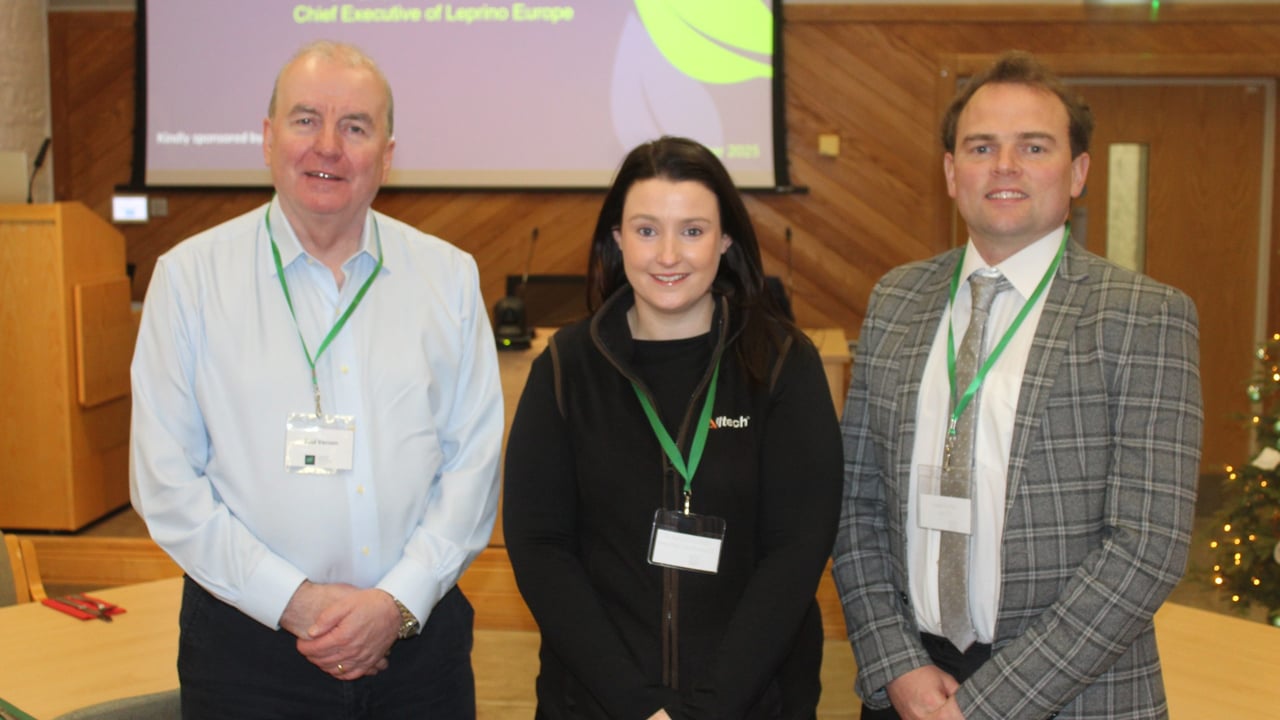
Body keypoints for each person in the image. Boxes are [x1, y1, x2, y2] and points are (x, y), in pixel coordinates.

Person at [129, 40, 503, 717]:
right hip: (248, 652)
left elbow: (473, 464)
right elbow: (166, 482)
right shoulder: (189, 280)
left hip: (418, 646)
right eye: (305, 120)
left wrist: (396, 602)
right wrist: (293, 603)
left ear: (386, 154)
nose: (327, 146)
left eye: (355, 127)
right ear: (268, 139)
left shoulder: (448, 277)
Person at [832, 50, 1202, 720]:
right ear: (951, 172)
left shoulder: (1145, 317)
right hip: (909, 691)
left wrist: (989, 705)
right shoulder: (896, 299)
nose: (1004, 167)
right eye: (981, 147)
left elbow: (1147, 546)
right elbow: (854, 505)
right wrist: (897, 665)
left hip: (1072, 695)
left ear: (1078, 171)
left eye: (1033, 146)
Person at [503, 136, 843, 719]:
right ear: (616, 238)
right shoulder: (567, 366)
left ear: (726, 239)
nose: (668, 255)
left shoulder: (783, 364)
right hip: (595, 704)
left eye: (692, 230)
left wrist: (705, 710)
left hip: (753, 704)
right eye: (645, 230)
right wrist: (637, 707)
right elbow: (540, 547)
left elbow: (796, 551)